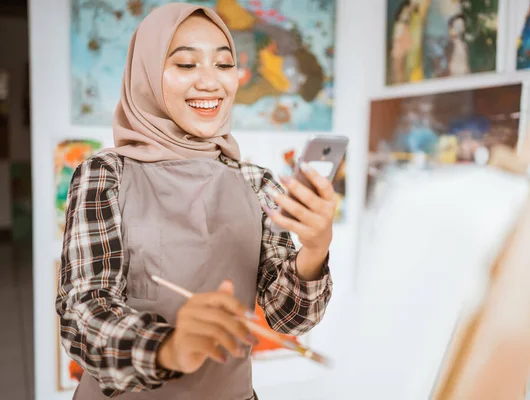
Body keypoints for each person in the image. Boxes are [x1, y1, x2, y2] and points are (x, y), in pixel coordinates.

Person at [55, 4, 335, 399]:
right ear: (147, 75)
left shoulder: (256, 182)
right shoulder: (105, 174)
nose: (211, 83)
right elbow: (81, 313)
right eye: (186, 64)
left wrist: (316, 248)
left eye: (224, 65)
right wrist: (168, 349)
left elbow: (288, 317)